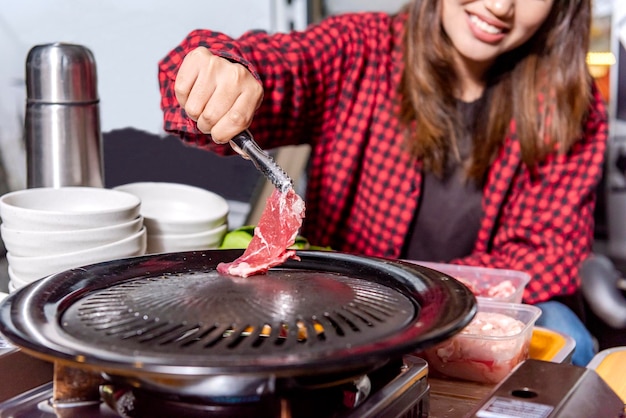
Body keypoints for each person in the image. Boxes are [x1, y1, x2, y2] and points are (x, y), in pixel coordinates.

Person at [158, 0, 606, 366]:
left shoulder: (568, 101)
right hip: (350, 298)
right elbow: (276, 68)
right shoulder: (363, 47)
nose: (499, 6)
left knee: (569, 334)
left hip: (476, 302)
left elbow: (547, 252)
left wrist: (422, 297)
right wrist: (222, 70)